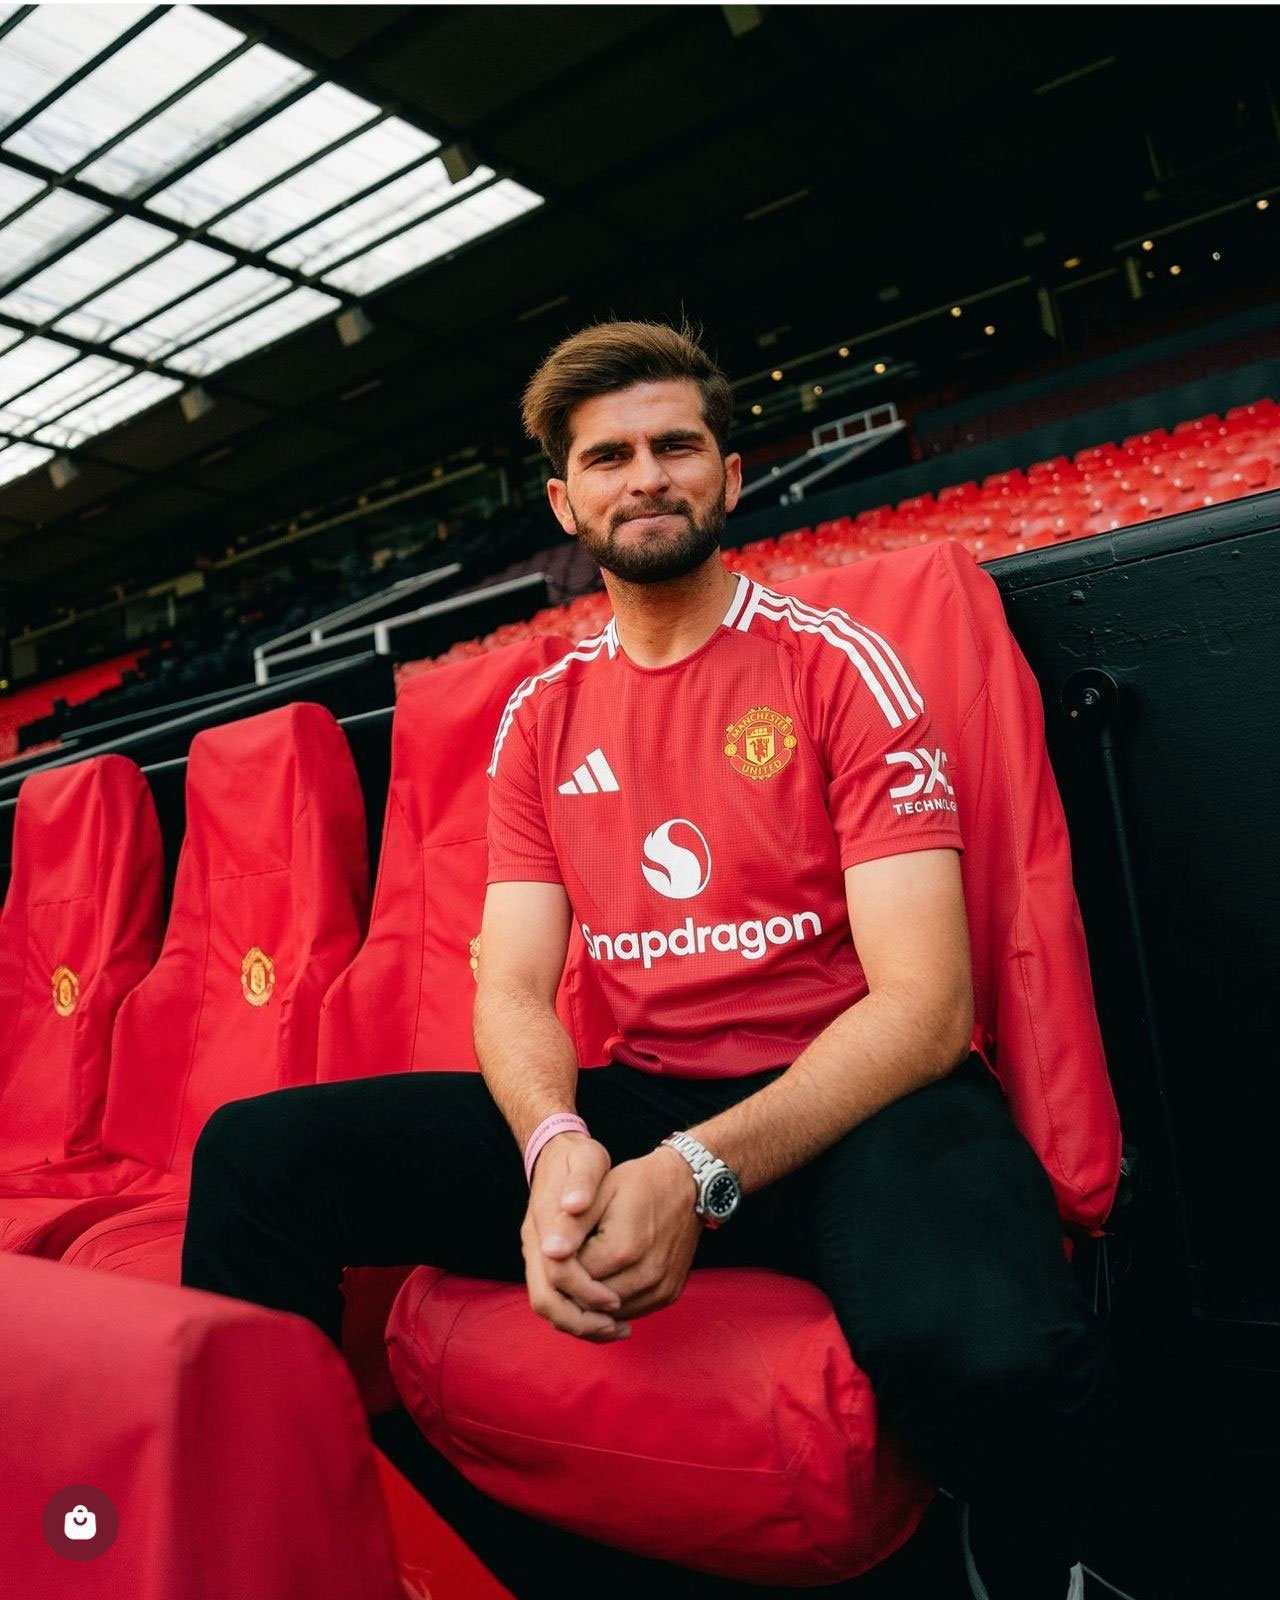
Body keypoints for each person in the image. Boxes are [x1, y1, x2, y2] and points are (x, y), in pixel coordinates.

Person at [181, 320, 1113, 1599]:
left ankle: (1024, 1565)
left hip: (859, 1098)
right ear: (567, 502)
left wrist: (696, 1174)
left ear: (728, 475)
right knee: (256, 1158)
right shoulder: (542, 713)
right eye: (609, 456)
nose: (648, 475)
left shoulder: (836, 669)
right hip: (651, 1088)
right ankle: (277, 1557)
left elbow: (923, 1003)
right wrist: (554, 1142)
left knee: (997, 1351)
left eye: (676, 444)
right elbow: (509, 983)